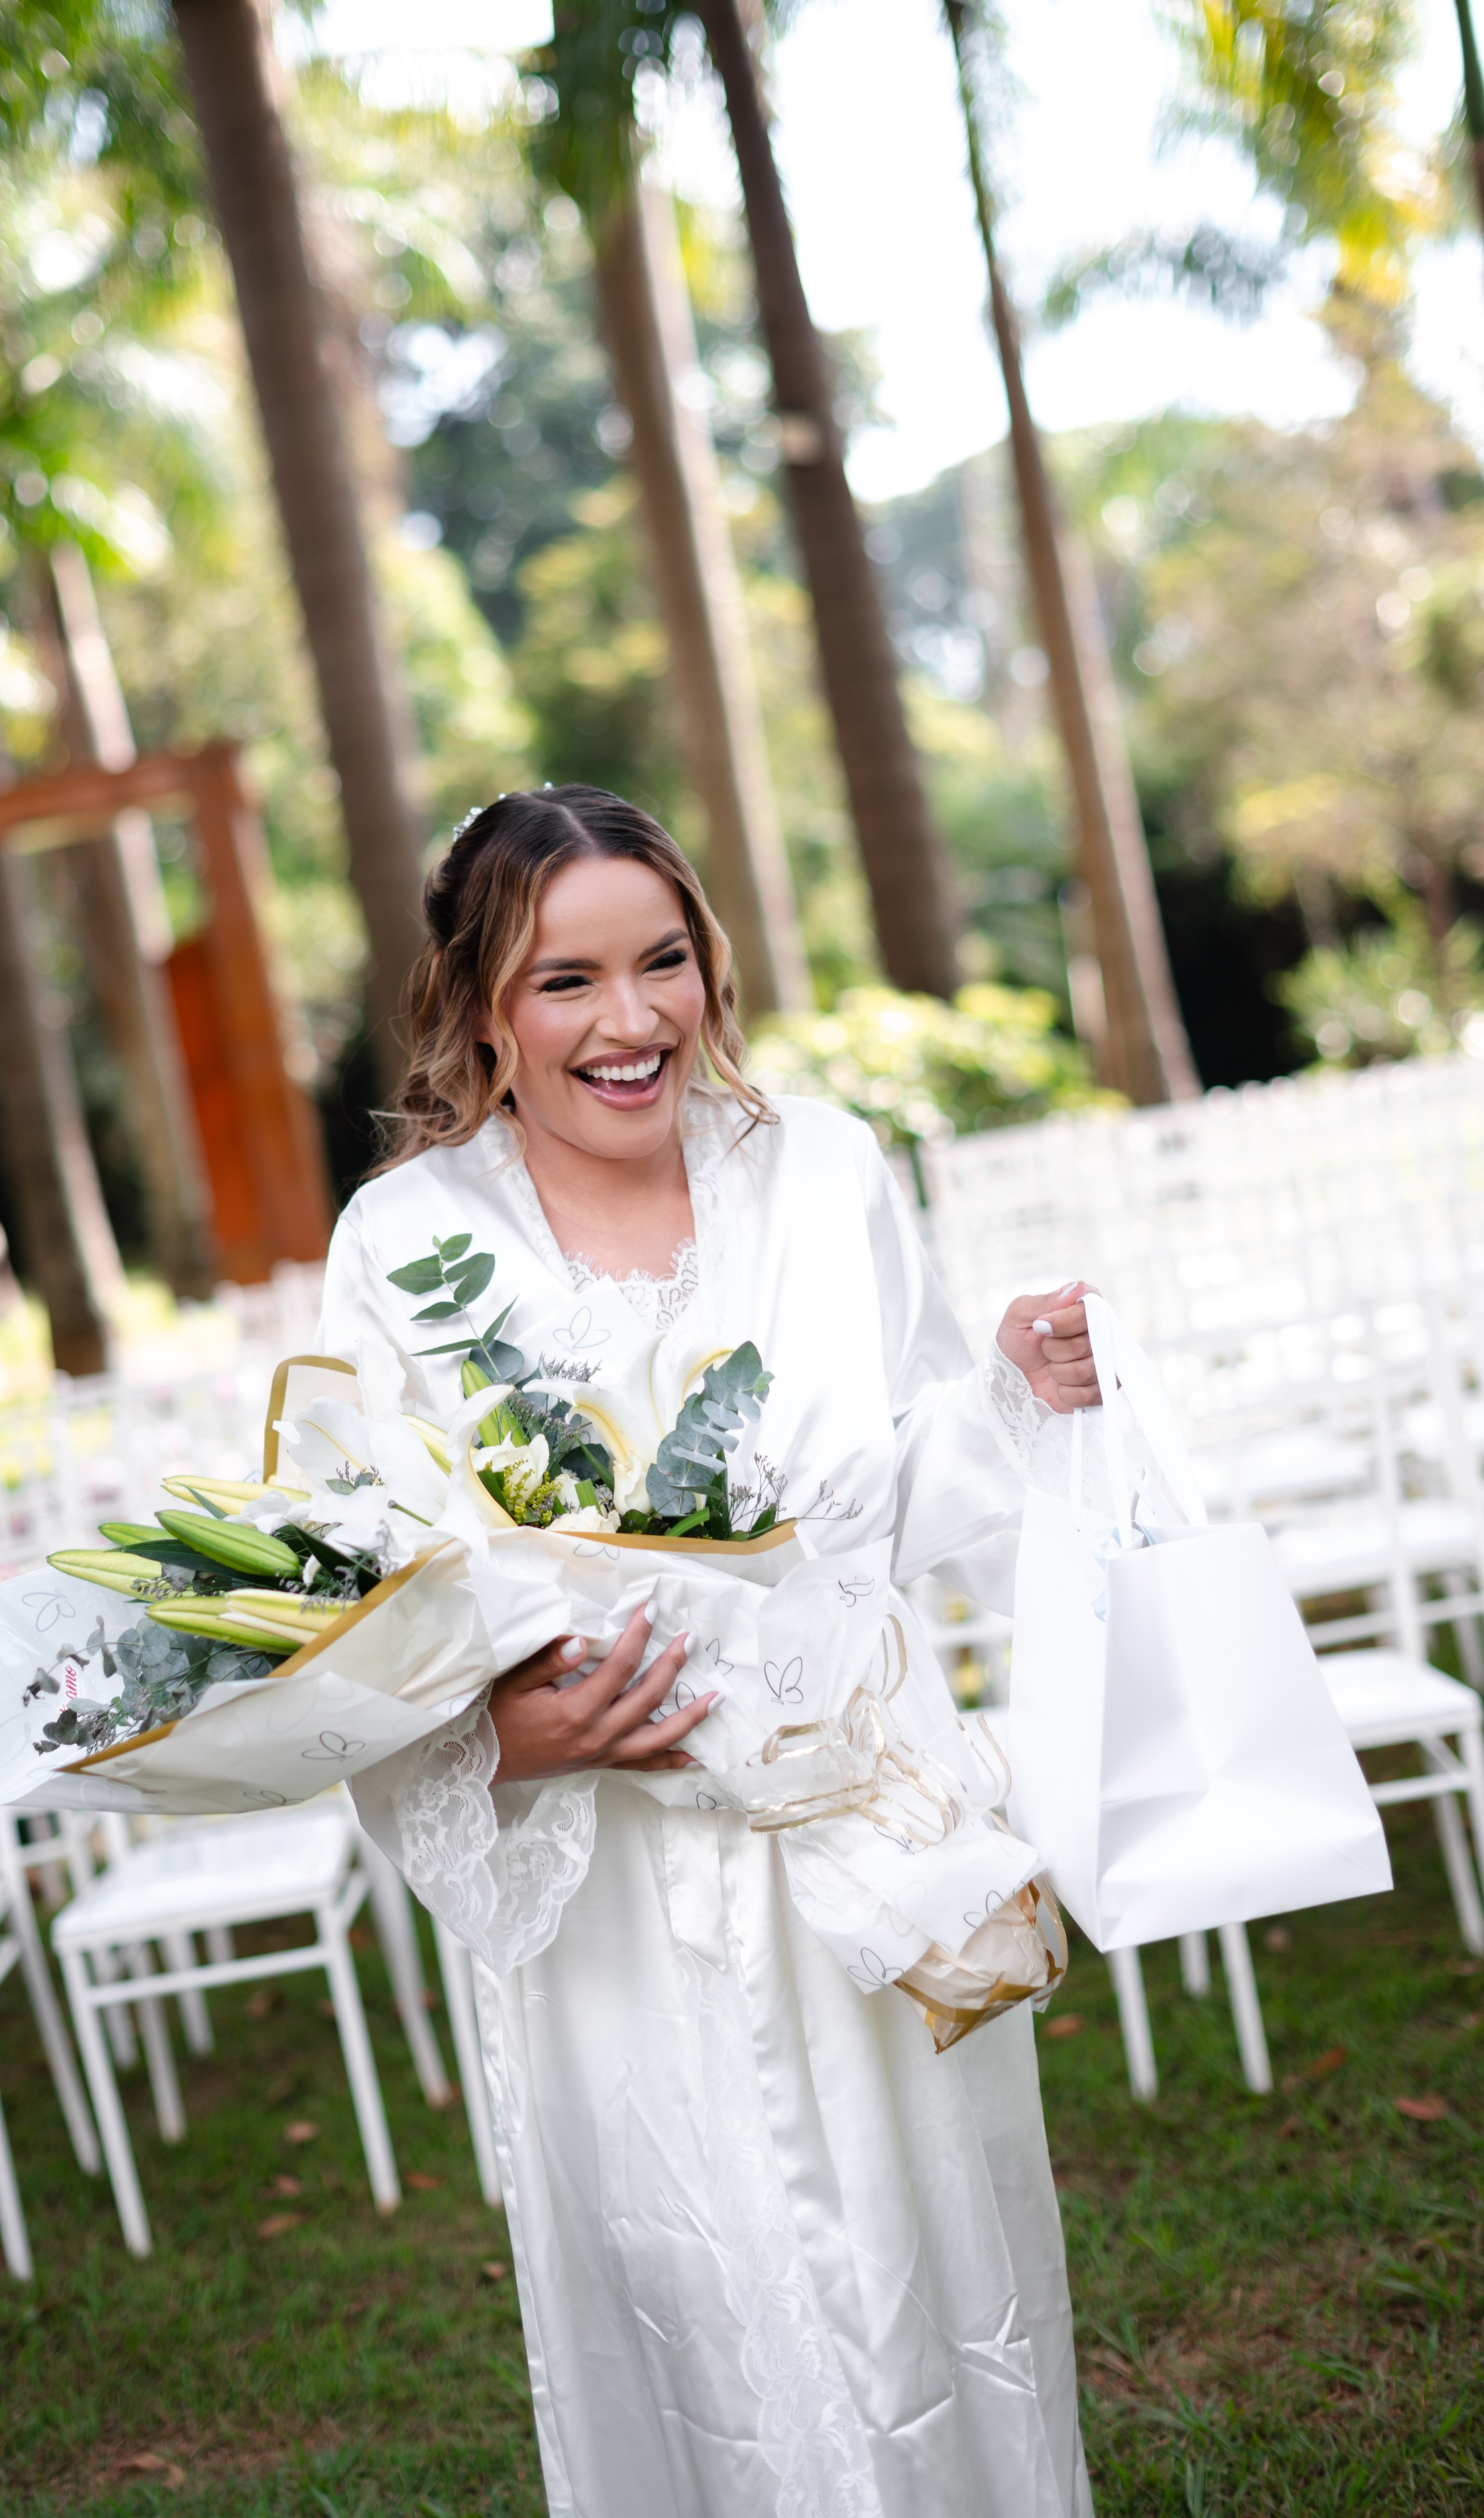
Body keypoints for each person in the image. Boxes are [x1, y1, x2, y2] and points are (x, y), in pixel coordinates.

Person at [319, 785, 1104, 2518]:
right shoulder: (405, 1246)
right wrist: (513, 1739)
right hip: (605, 1895)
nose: (633, 1020)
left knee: (932, 2286)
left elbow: (889, 1477)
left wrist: (1010, 1392)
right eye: (566, 980)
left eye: (664, 960)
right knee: (692, 2311)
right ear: (481, 1008)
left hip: (856, 1843)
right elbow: (360, 1593)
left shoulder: (824, 1167)